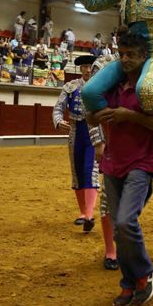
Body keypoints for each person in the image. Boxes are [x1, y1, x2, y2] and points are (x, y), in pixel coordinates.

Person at [87, 31, 153, 306]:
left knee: (125, 221)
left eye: (131, 55)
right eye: (121, 54)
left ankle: (144, 272)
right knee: (118, 228)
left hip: (141, 163)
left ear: (143, 57)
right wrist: (96, 116)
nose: (125, 59)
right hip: (113, 163)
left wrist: (130, 116)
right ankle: (129, 282)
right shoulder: (111, 87)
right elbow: (89, 116)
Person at [52, 55, 105, 233]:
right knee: (77, 172)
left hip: (95, 131)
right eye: (84, 67)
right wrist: (58, 121)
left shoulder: (101, 85)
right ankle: (83, 213)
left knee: (90, 170)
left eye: (90, 66)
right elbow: (58, 107)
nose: (88, 69)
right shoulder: (71, 86)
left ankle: (89, 215)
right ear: (80, 69)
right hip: (75, 132)